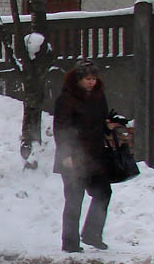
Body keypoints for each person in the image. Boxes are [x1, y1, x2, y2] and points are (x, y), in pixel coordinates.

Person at [52, 60, 122, 253]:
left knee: (103, 193)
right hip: (73, 157)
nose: (91, 82)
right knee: (74, 199)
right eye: (87, 79)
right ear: (79, 79)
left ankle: (92, 234)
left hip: (94, 156)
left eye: (94, 78)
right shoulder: (66, 99)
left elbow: (100, 123)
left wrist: (109, 126)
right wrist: (66, 154)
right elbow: (61, 127)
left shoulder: (99, 97)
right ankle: (70, 243)